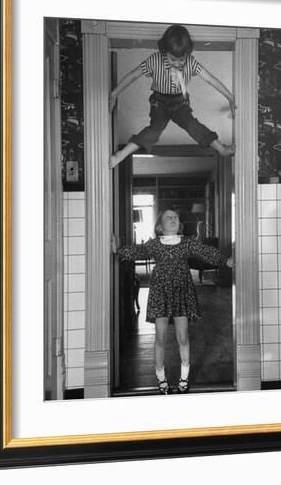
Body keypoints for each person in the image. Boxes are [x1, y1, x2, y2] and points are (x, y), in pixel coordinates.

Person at [112, 209, 233, 394]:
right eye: (168, 217)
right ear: (160, 226)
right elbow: (139, 251)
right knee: (160, 338)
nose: (173, 218)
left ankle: (184, 377)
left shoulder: (187, 243)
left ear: (179, 224)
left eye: (175, 216)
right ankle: (161, 377)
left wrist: (226, 261)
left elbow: (206, 252)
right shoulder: (154, 244)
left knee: (182, 337)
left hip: (181, 293)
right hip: (160, 293)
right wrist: (118, 250)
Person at [109, 24, 236, 168]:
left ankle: (222, 149)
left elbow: (210, 79)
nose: (177, 64)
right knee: (154, 132)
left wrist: (230, 97)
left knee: (193, 125)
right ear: (164, 51)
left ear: (187, 54)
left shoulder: (190, 62)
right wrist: (114, 94)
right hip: (159, 103)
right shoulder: (155, 60)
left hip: (180, 103)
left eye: (181, 60)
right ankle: (120, 155)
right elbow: (133, 76)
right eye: (172, 59)